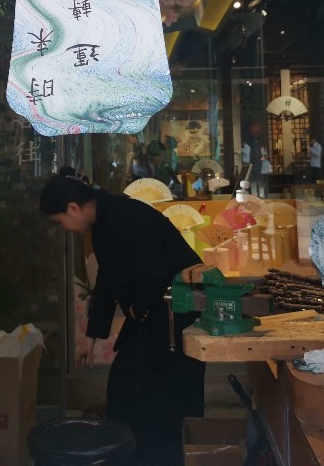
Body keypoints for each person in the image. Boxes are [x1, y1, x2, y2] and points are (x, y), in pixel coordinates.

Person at [40, 172, 206, 466]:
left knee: (152, 396)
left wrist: (136, 311)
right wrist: (91, 337)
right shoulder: (106, 219)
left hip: (175, 314)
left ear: (73, 208)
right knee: (135, 392)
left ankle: (149, 457)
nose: (63, 228)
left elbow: (152, 270)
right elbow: (107, 282)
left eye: (59, 220)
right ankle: (142, 455)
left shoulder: (121, 216)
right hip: (159, 313)